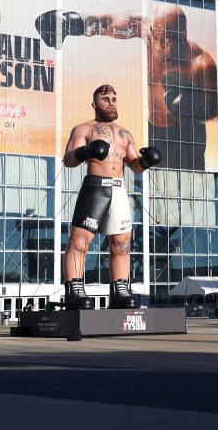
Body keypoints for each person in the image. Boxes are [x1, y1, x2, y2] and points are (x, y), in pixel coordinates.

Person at [35, 5, 218, 170]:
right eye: (156, 35)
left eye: (167, 39)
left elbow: (214, 111)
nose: (158, 44)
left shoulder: (201, 64)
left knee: (191, 187)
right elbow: (108, 23)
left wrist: (188, 102)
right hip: (155, 128)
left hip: (186, 134)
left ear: (182, 37)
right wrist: (74, 22)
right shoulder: (147, 32)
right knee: (155, 187)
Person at [61, 84, 162, 309]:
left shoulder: (125, 134)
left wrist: (146, 160)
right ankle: (75, 289)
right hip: (95, 187)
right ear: (95, 104)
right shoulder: (83, 129)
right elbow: (68, 160)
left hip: (118, 188)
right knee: (79, 241)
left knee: (122, 243)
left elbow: (135, 166)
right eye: (105, 99)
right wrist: (85, 151)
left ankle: (120, 290)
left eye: (114, 98)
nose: (111, 102)